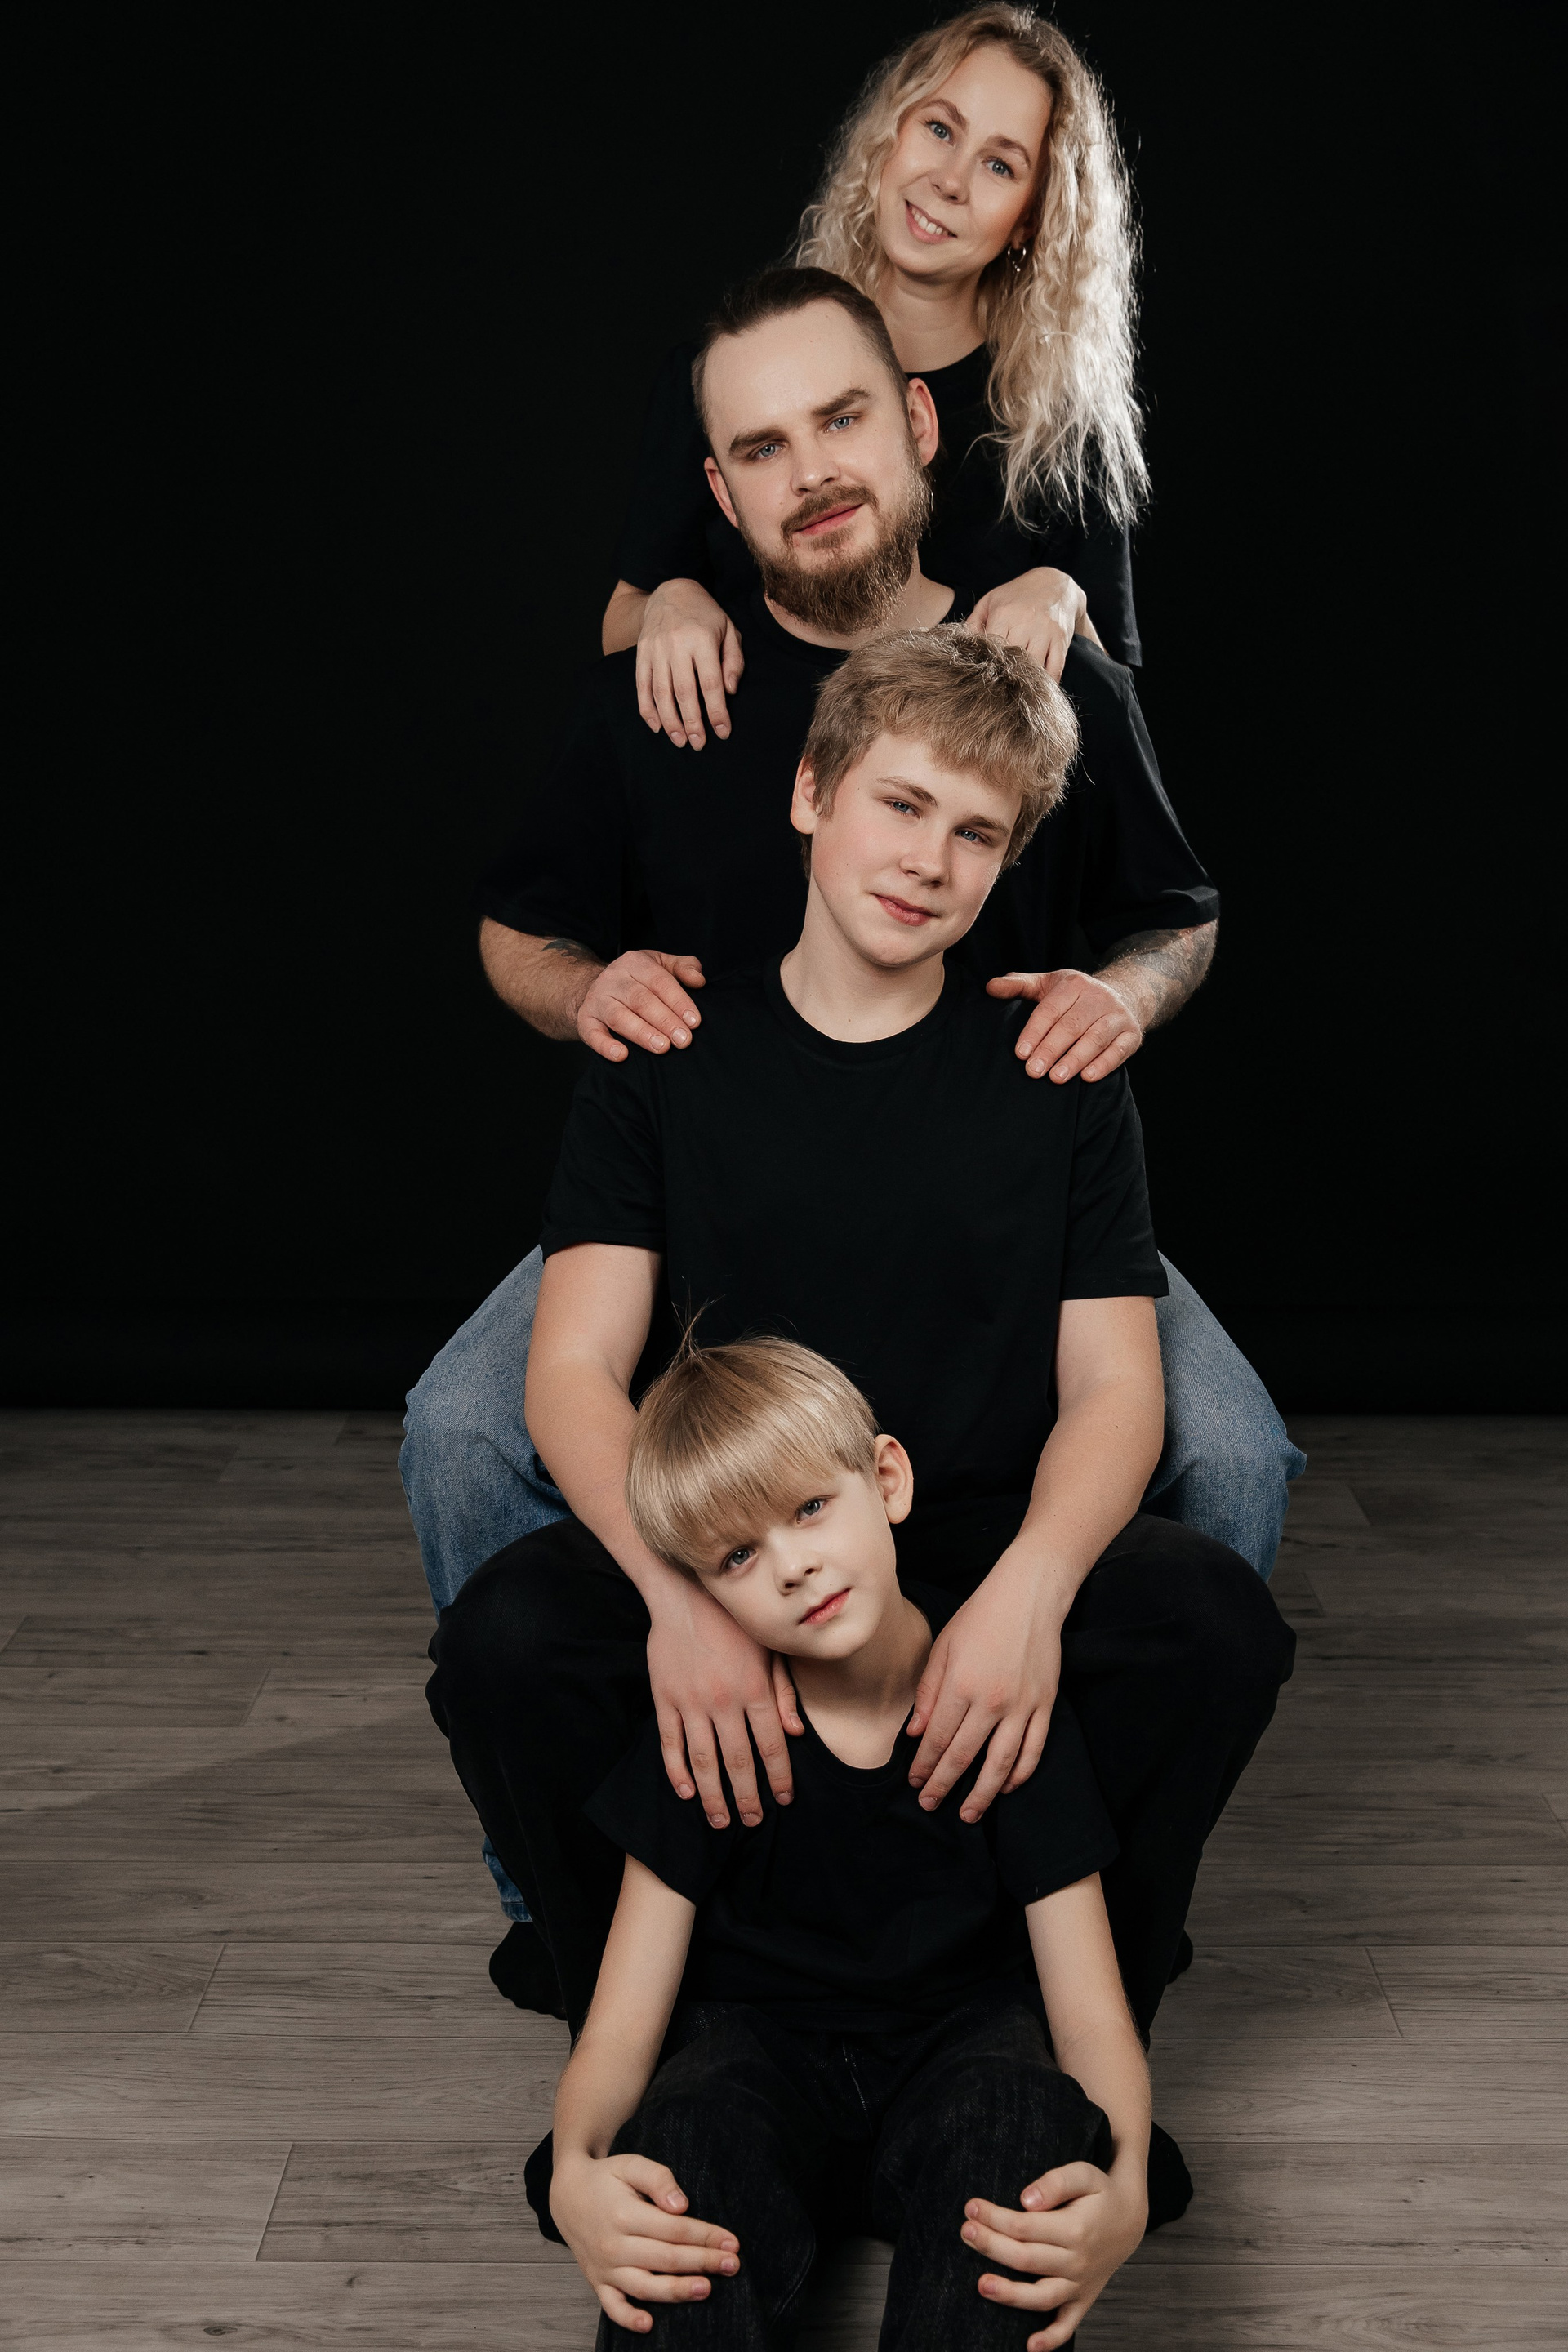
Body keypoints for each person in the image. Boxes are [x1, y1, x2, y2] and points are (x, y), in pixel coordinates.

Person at [403, 270, 1298, 1674]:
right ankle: (632, 1762)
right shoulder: (662, 682)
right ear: (720, 489)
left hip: (1004, 1185)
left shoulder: (1041, 668)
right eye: (764, 448)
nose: (813, 472)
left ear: (917, 424)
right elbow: (517, 929)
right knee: (463, 1431)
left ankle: (1060, 1759)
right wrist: (585, 992)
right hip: (695, 1183)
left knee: (1230, 1451)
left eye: (842, 420)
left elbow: (1177, 916)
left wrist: (1121, 994)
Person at [424, 626, 1295, 2047]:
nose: (929, 861)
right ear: (812, 792)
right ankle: (652, 2035)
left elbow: (1116, 1389)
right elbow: (571, 1369)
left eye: (976, 834)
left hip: (964, 1548)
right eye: (901, 804)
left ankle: (1068, 2035)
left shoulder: (1056, 1071)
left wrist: (1027, 1595)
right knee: (505, 1643)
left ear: (1007, 864)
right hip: (749, 1554)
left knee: (1210, 1623)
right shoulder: (669, 1056)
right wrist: (684, 1601)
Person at [547, 1334, 1156, 2350]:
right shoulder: (708, 1736)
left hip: (963, 2045)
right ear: (705, 1592)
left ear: (887, 1479)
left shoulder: (1000, 1703)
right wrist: (574, 2168)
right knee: (683, 2139)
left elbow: (1091, 2013)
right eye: (738, 1557)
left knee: (1023, 2121)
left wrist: (1127, 2185)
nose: (794, 1567)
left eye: (809, 1509)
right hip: (755, 2049)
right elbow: (618, 2028)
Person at [607, 5, 1148, 759]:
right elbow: (621, 626)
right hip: (743, 771)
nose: (949, 180)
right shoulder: (728, 377)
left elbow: (1113, 711)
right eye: (940, 128)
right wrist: (668, 602)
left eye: (1000, 165)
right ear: (890, 133)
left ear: (1031, 218)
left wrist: (1064, 596)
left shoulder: (1063, 434)